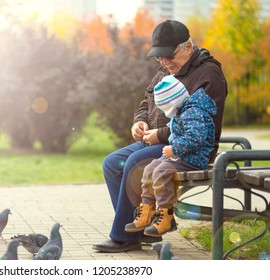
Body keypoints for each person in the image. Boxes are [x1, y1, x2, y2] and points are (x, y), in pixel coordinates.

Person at [92, 19, 227, 253]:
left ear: (187, 46)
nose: (164, 62)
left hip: (189, 148)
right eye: (159, 57)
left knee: (136, 162)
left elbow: (201, 125)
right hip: (157, 141)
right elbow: (147, 99)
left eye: (169, 56)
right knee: (112, 163)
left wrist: (162, 134)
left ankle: (125, 237)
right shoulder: (166, 68)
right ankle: (144, 228)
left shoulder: (209, 73)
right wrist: (139, 121)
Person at [124, 75, 216, 236]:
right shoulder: (181, 111)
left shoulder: (193, 113)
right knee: (149, 169)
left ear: (174, 101)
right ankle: (147, 211)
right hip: (181, 155)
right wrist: (174, 149)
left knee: (161, 172)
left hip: (194, 158)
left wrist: (174, 149)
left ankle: (166, 215)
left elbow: (196, 138)